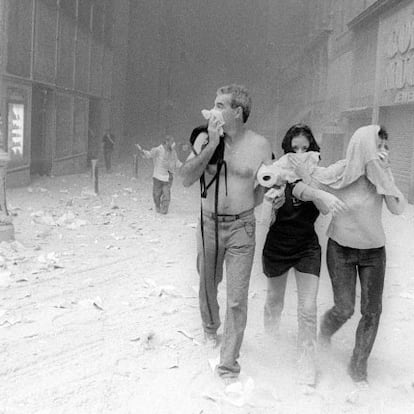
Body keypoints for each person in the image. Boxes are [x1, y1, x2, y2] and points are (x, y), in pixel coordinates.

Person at [295, 125, 406, 384]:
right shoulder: (342, 170)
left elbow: (398, 208)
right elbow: (314, 180)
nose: (382, 151)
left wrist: (387, 171)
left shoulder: (380, 177)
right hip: (341, 250)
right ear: (363, 145)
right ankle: (324, 331)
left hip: (373, 253)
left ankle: (358, 368)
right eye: (379, 146)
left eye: (385, 147)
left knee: (372, 311)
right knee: (345, 307)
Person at [180, 84, 272, 383]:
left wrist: (249, 205)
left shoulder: (260, 144)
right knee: (208, 283)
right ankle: (210, 326)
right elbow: (186, 178)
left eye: (221, 105)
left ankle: (228, 364)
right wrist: (211, 144)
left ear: (237, 112)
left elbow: (266, 185)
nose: (214, 109)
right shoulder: (205, 137)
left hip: (241, 228)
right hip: (208, 223)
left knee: (236, 298)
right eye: (214, 104)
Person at [262, 124, 344, 387]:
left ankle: (306, 358)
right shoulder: (275, 175)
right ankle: (270, 340)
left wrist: (309, 180)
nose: (299, 153)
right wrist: (271, 205)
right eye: (294, 148)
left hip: (307, 246)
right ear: (286, 150)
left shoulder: (318, 176)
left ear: (313, 150)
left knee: (308, 308)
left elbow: (322, 204)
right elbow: (266, 218)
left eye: (305, 148)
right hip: (278, 245)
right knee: (274, 301)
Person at [138, 135, 182, 214]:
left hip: (168, 177)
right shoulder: (158, 150)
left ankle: (164, 210)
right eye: (171, 142)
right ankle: (157, 206)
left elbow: (176, 162)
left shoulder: (173, 152)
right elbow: (149, 154)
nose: (173, 144)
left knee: (166, 194)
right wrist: (142, 150)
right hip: (158, 176)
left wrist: (185, 166)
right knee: (156, 194)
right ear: (166, 142)